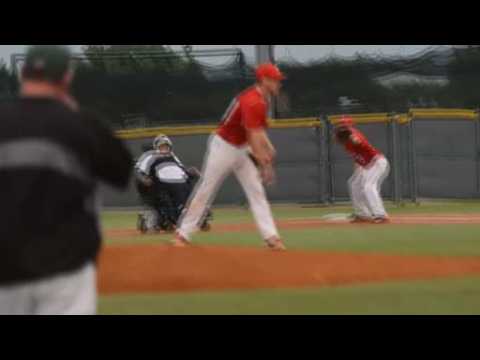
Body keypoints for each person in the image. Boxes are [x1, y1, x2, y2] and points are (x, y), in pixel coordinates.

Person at [0, 45, 132, 315]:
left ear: (23, 73)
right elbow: (122, 171)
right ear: (66, 78)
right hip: (65, 265)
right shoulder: (80, 123)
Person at [173, 63, 286, 250]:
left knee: (256, 191)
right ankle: (183, 234)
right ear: (264, 80)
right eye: (276, 80)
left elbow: (259, 132)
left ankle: (271, 236)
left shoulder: (262, 100)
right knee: (206, 189)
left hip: (242, 149)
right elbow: (253, 135)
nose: (278, 84)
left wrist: (270, 149)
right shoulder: (252, 101)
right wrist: (264, 164)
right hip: (224, 147)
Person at [135, 134, 210, 232]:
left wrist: (190, 171)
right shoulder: (151, 156)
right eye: (162, 146)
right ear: (156, 147)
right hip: (162, 184)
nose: (164, 148)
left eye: (166, 146)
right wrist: (144, 179)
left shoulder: (173, 157)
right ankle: (159, 220)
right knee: (167, 203)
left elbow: (182, 169)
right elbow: (140, 171)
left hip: (180, 183)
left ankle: (198, 216)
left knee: (187, 199)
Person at [334, 117, 391, 224]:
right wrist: (357, 173)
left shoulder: (354, 134)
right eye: (339, 125)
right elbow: (357, 158)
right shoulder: (345, 142)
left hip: (377, 162)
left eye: (342, 125)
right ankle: (362, 214)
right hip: (366, 166)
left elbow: (357, 140)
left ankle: (381, 215)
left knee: (368, 186)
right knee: (353, 183)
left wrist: (353, 138)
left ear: (348, 127)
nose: (340, 127)